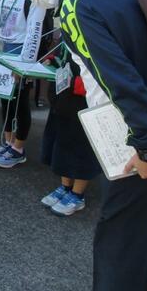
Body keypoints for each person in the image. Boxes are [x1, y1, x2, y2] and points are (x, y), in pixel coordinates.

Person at [2, 0, 147, 291]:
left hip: (138, 143)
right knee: (137, 242)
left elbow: (119, 78)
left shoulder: (75, 6)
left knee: (118, 246)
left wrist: (146, 147)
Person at [0, 0, 52, 168]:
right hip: (2, 51)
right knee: (5, 99)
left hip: (21, 54)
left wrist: (25, 65)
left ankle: (18, 148)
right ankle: (7, 141)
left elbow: (34, 33)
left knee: (20, 102)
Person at [40, 54, 101, 216]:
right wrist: (54, 60)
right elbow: (63, 56)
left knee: (82, 147)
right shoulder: (70, 38)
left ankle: (77, 195)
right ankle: (65, 187)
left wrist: (79, 84)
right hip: (64, 96)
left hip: (85, 99)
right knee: (62, 141)